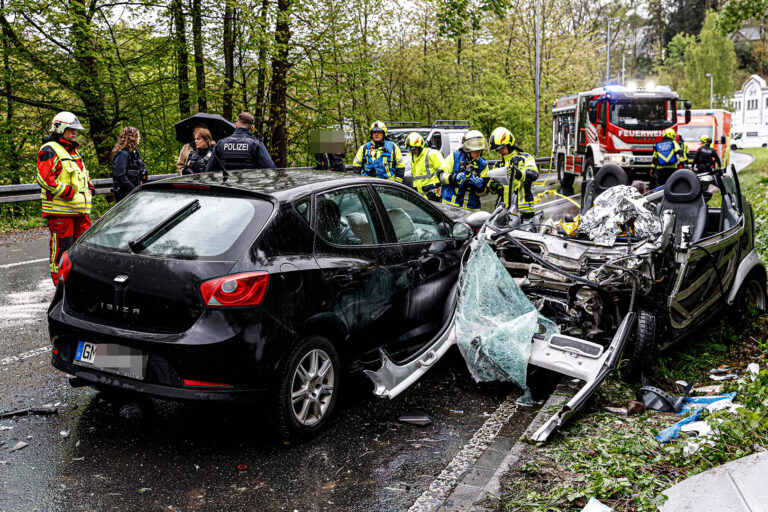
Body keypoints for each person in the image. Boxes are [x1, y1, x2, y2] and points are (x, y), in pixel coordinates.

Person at [36, 111, 94, 285]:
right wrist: (69, 193)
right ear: (60, 128)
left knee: (83, 249)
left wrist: (90, 188)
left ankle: (77, 282)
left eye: (76, 129)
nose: (75, 132)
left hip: (80, 211)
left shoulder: (74, 151)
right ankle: (60, 285)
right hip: (60, 212)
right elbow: (45, 179)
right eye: (71, 129)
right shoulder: (49, 150)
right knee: (62, 250)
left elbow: (82, 175)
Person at [487, 127, 539, 219]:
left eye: (502, 148)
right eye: (498, 150)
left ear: (510, 144)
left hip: (524, 211)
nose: (500, 151)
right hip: (503, 211)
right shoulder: (498, 164)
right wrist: (493, 185)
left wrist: (518, 173)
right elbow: (493, 191)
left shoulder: (526, 158)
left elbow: (534, 174)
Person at [436, 130, 490, 211]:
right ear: (467, 148)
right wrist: (453, 178)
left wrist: (481, 187)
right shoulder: (454, 157)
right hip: (450, 207)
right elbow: (440, 175)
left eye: (480, 149)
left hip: (471, 209)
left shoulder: (483, 165)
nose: (478, 152)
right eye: (475, 150)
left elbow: (485, 192)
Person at [205, 112, 275, 173]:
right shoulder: (256, 144)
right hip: (248, 186)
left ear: (236, 125)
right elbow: (271, 169)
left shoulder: (221, 144)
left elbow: (209, 170)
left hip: (226, 186)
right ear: (252, 128)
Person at [110, 127, 147, 202]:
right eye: (138, 136)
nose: (139, 138)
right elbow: (120, 176)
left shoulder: (135, 154)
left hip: (135, 193)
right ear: (132, 138)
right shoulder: (122, 154)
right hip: (126, 195)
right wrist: (134, 190)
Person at [404, 132, 443, 201]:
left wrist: (440, 188)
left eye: (414, 148)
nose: (412, 151)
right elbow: (415, 176)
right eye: (411, 149)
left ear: (420, 146)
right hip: (421, 194)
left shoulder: (432, 153)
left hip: (433, 193)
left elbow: (443, 172)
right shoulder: (413, 157)